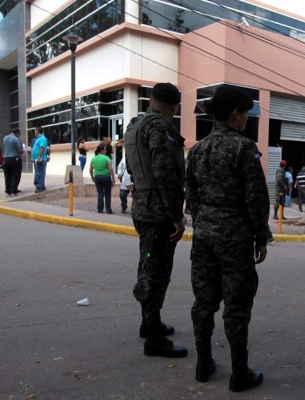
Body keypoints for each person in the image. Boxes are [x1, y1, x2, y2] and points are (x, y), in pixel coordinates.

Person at [186, 85, 269, 392]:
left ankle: (203, 363)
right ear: (235, 114)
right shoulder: (244, 148)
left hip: (204, 236)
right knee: (236, 305)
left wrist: (205, 221)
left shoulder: (197, 149)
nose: (247, 118)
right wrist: (261, 236)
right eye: (246, 112)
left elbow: (191, 195)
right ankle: (239, 373)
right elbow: (256, 198)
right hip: (235, 239)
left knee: (204, 303)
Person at [124, 82, 187, 358]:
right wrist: (177, 215)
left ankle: (149, 323)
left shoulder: (134, 125)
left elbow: (131, 166)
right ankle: (154, 338)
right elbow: (164, 172)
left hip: (141, 206)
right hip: (159, 211)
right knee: (156, 271)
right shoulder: (160, 127)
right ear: (173, 107)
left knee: (147, 264)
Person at [89, 143, 115, 214]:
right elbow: (111, 169)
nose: (106, 151)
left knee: (100, 193)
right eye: (105, 149)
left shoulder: (93, 158)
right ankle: (108, 210)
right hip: (106, 177)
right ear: (102, 150)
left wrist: (92, 178)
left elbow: (90, 170)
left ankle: (100, 209)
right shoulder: (107, 158)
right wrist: (113, 179)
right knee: (107, 193)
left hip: (97, 177)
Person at [2, 128, 24, 197]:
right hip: (15, 158)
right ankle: (14, 191)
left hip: (5, 159)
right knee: (15, 175)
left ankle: (8, 191)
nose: (19, 136)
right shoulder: (16, 139)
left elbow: (3, 147)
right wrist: (22, 151)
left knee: (7, 176)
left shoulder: (5, 138)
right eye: (18, 134)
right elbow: (20, 150)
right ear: (17, 133)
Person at [31, 127, 48, 193]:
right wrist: (33, 158)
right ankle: (40, 186)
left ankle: (41, 187)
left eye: (35, 130)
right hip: (37, 159)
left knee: (40, 173)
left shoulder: (42, 138)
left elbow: (42, 148)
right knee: (38, 173)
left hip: (40, 159)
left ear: (37, 131)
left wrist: (39, 157)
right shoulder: (39, 138)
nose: (34, 132)